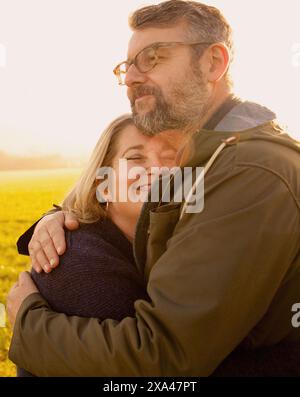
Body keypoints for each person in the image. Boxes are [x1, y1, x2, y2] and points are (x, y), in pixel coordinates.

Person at [7, 0, 300, 376]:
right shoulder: (217, 159)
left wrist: (30, 327)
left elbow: (164, 359)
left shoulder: (248, 170)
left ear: (213, 62)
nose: (131, 77)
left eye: (153, 57)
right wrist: (64, 215)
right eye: (126, 66)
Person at [13, 113, 185, 376]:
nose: (158, 169)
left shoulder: (169, 245)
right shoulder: (80, 262)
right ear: (103, 184)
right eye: (136, 158)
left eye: (169, 157)